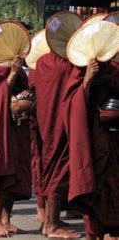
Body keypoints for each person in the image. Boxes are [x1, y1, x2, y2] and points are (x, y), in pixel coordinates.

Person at [64, 60, 119, 240]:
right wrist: (87, 79)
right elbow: (73, 104)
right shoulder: (78, 70)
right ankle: (95, 232)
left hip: (114, 135)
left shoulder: (114, 69)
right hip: (91, 137)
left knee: (114, 182)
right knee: (92, 183)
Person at [0, 56, 32, 238]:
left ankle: (7, 220)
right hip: (0, 130)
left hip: (17, 127)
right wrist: (11, 73)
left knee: (15, 173)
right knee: (1, 173)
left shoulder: (18, 66)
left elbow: (23, 91)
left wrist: (25, 95)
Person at [34, 51, 80, 238]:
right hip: (62, 125)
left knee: (50, 169)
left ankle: (48, 221)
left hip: (46, 125)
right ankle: (51, 225)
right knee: (59, 171)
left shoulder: (42, 61)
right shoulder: (69, 65)